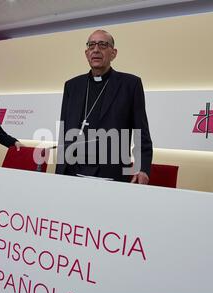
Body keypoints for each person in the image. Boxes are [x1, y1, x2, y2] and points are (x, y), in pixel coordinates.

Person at [56, 30, 152, 183]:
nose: (96, 49)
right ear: (86, 53)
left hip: (111, 174)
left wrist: (143, 167)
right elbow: (64, 130)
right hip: (72, 174)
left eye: (102, 45)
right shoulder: (72, 86)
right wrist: (60, 172)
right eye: (91, 45)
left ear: (113, 53)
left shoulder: (130, 84)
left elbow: (141, 132)